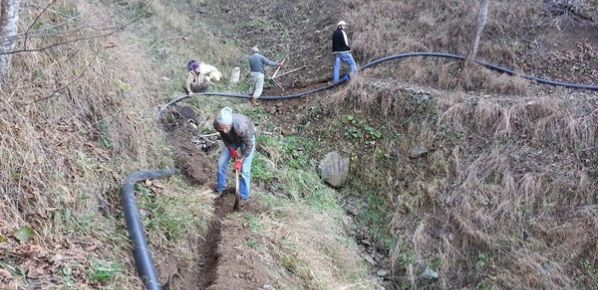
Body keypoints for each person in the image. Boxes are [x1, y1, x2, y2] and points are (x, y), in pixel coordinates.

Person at [213, 107, 256, 205]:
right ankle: (220, 189)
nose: (223, 130)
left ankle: (244, 197)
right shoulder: (217, 124)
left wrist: (241, 159)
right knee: (221, 164)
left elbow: (249, 145)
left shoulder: (241, 127)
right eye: (221, 128)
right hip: (232, 140)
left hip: (247, 140)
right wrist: (232, 149)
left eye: (226, 128)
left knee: (245, 170)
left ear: (230, 124)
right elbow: (224, 137)